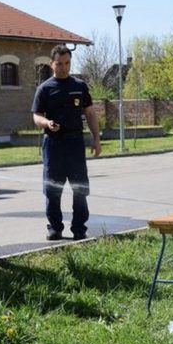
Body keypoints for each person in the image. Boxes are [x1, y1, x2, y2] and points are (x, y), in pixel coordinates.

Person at [31, 45, 101, 241]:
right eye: (59, 64)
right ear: (52, 64)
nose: (63, 67)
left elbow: (90, 113)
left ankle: (79, 228)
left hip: (75, 143)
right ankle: (55, 227)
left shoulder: (79, 86)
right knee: (52, 189)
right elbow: (36, 116)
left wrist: (96, 139)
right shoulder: (45, 88)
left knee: (80, 188)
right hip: (53, 145)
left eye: (67, 63)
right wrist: (47, 123)